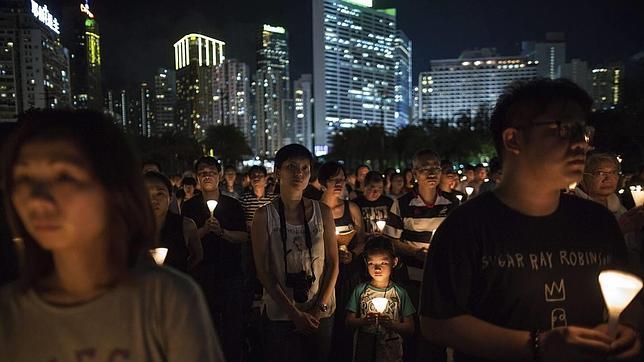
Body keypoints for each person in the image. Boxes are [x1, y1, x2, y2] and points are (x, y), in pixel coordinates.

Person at [420, 78, 641, 362]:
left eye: (583, 132)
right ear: (513, 139)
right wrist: (536, 345)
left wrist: (629, 328)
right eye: (564, 129)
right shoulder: (464, 226)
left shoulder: (598, 221)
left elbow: (629, 294)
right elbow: (438, 322)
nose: (580, 145)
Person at [0, 109, 223, 361]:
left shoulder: (166, 300)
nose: (38, 200)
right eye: (24, 178)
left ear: (114, 188)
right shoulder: (10, 314)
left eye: (64, 176)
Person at [251, 144, 339, 362]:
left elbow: (333, 264)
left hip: (321, 310)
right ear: (277, 171)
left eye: (305, 168)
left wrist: (318, 310)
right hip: (280, 313)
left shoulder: (323, 212)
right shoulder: (264, 216)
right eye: (291, 167)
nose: (299, 173)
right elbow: (263, 271)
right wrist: (294, 314)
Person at [384, 149, 459, 361]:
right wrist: (416, 253)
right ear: (415, 173)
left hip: (440, 281)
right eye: (425, 169)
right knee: (412, 336)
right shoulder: (402, 204)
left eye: (436, 168)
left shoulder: (452, 204)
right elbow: (390, 240)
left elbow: (458, 240)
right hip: (411, 282)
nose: (432, 173)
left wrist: (439, 254)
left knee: (438, 337)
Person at [181, 156, 249, 362]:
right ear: (197, 178)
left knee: (232, 327)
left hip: (230, 273)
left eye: (211, 172)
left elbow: (244, 236)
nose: (207, 175)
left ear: (219, 176)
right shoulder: (189, 207)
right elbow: (184, 240)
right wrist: (202, 230)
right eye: (202, 173)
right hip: (200, 273)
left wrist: (222, 232)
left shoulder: (233, 205)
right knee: (203, 324)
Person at [319, 161, 366, 362]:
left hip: (349, 274)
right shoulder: (315, 209)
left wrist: (353, 253)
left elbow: (362, 238)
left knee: (347, 323)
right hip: (324, 274)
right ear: (322, 184)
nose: (339, 184)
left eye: (341, 179)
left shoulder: (351, 208)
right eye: (333, 180)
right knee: (325, 324)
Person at [346, 236, 415, 362]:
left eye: (383, 263)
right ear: (365, 262)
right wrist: (364, 321)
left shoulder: (399, 293)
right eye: (372, 263)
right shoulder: (360, 290)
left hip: (390, 351)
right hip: (364, 348)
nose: (377, 269)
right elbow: (349, 321)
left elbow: (410, 327)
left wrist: (392, 324)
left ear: (394, 262)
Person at [575, 152, 644, 269]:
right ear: (582, 178)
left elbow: (632, 248)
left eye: (613, 173)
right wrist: (618, 229)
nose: (608, 179)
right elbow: (580, 250)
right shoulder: (576, 209)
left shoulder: (620, 209)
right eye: (600, 173)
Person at [144, 171, 203, 272]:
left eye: (160, 193)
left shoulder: (186, 225)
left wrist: (178, 275)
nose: (153, 200)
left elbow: (197, 256)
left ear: (170, 198)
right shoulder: (128, 228)